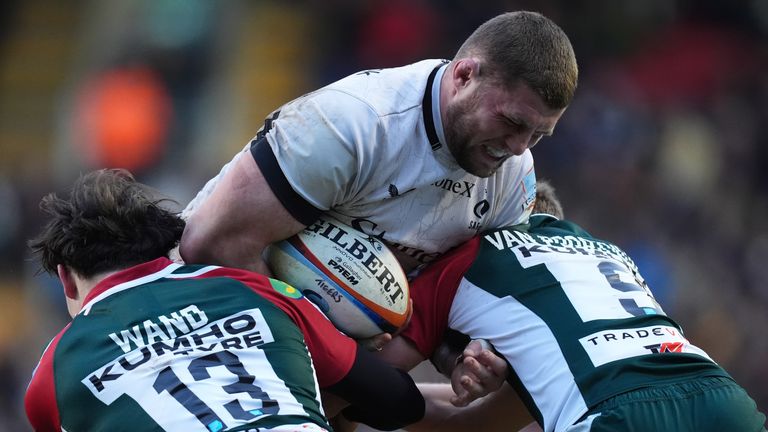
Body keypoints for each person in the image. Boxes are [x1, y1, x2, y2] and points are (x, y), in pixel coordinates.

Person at [24, 169, 428, 432]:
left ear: (65, 279)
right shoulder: (253, 288)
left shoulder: (51, 374)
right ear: (166, 249)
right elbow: (399, 402)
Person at [179, 11, 578, 276]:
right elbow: (213, 243)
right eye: (511, 122)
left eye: (539, 135)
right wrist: (337, 356)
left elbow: (454, 305)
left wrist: (463, 355)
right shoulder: (351, 123)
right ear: (464, 76)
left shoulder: (513, 176)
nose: (520, 148)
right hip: (193, 310)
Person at [375, 180, 767, 431]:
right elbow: (483, 422)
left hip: (617, 413)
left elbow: (375, 377)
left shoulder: (466, 253)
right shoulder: (608, 254)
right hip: (723, 400)